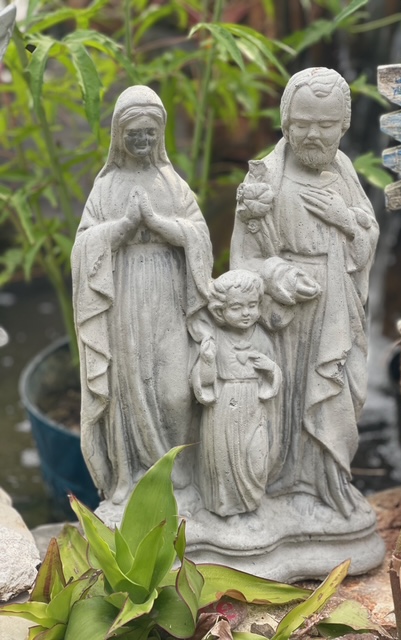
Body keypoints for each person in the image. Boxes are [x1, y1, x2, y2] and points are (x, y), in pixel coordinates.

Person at [230, 68, 379, 517]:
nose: (314, 135)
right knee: (283, 399)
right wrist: (278, 275)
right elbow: (243, 260)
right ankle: (277, 489)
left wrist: (344, 220)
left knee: (334, 394)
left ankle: (326, 486)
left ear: (343, 125)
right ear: (286, 123)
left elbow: (366, 236)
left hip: (336, 305)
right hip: (285, 316)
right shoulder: (264, 181)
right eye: (303, 124)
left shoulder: (345, 172)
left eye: (326, 124)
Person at [72, 85, 213, 505]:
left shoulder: (172, 183)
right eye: (134, 134)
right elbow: (83, 246)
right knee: (127, 386)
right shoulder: (106, 188)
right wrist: (123, 227)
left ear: (160, 134)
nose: (142, 141)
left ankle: (179, 466)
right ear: (119, 135)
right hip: (125, 296)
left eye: (150, 133)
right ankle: (130, 476)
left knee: (175, 390)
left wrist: (158, 223)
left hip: (169, 292)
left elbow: (200, 235)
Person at [191, 269, 282, 516]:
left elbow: (274, 376)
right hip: (224, 407)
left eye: (252, 305)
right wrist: (207, 360)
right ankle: (226, 510)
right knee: (223, 461)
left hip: (254, 405)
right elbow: (204, 383)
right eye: (236, 307)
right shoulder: (215, 338)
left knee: (256, 457)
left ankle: (251, 505)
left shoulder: (262, 337)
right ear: (220, 311)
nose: (246, 313)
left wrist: (270, 368)